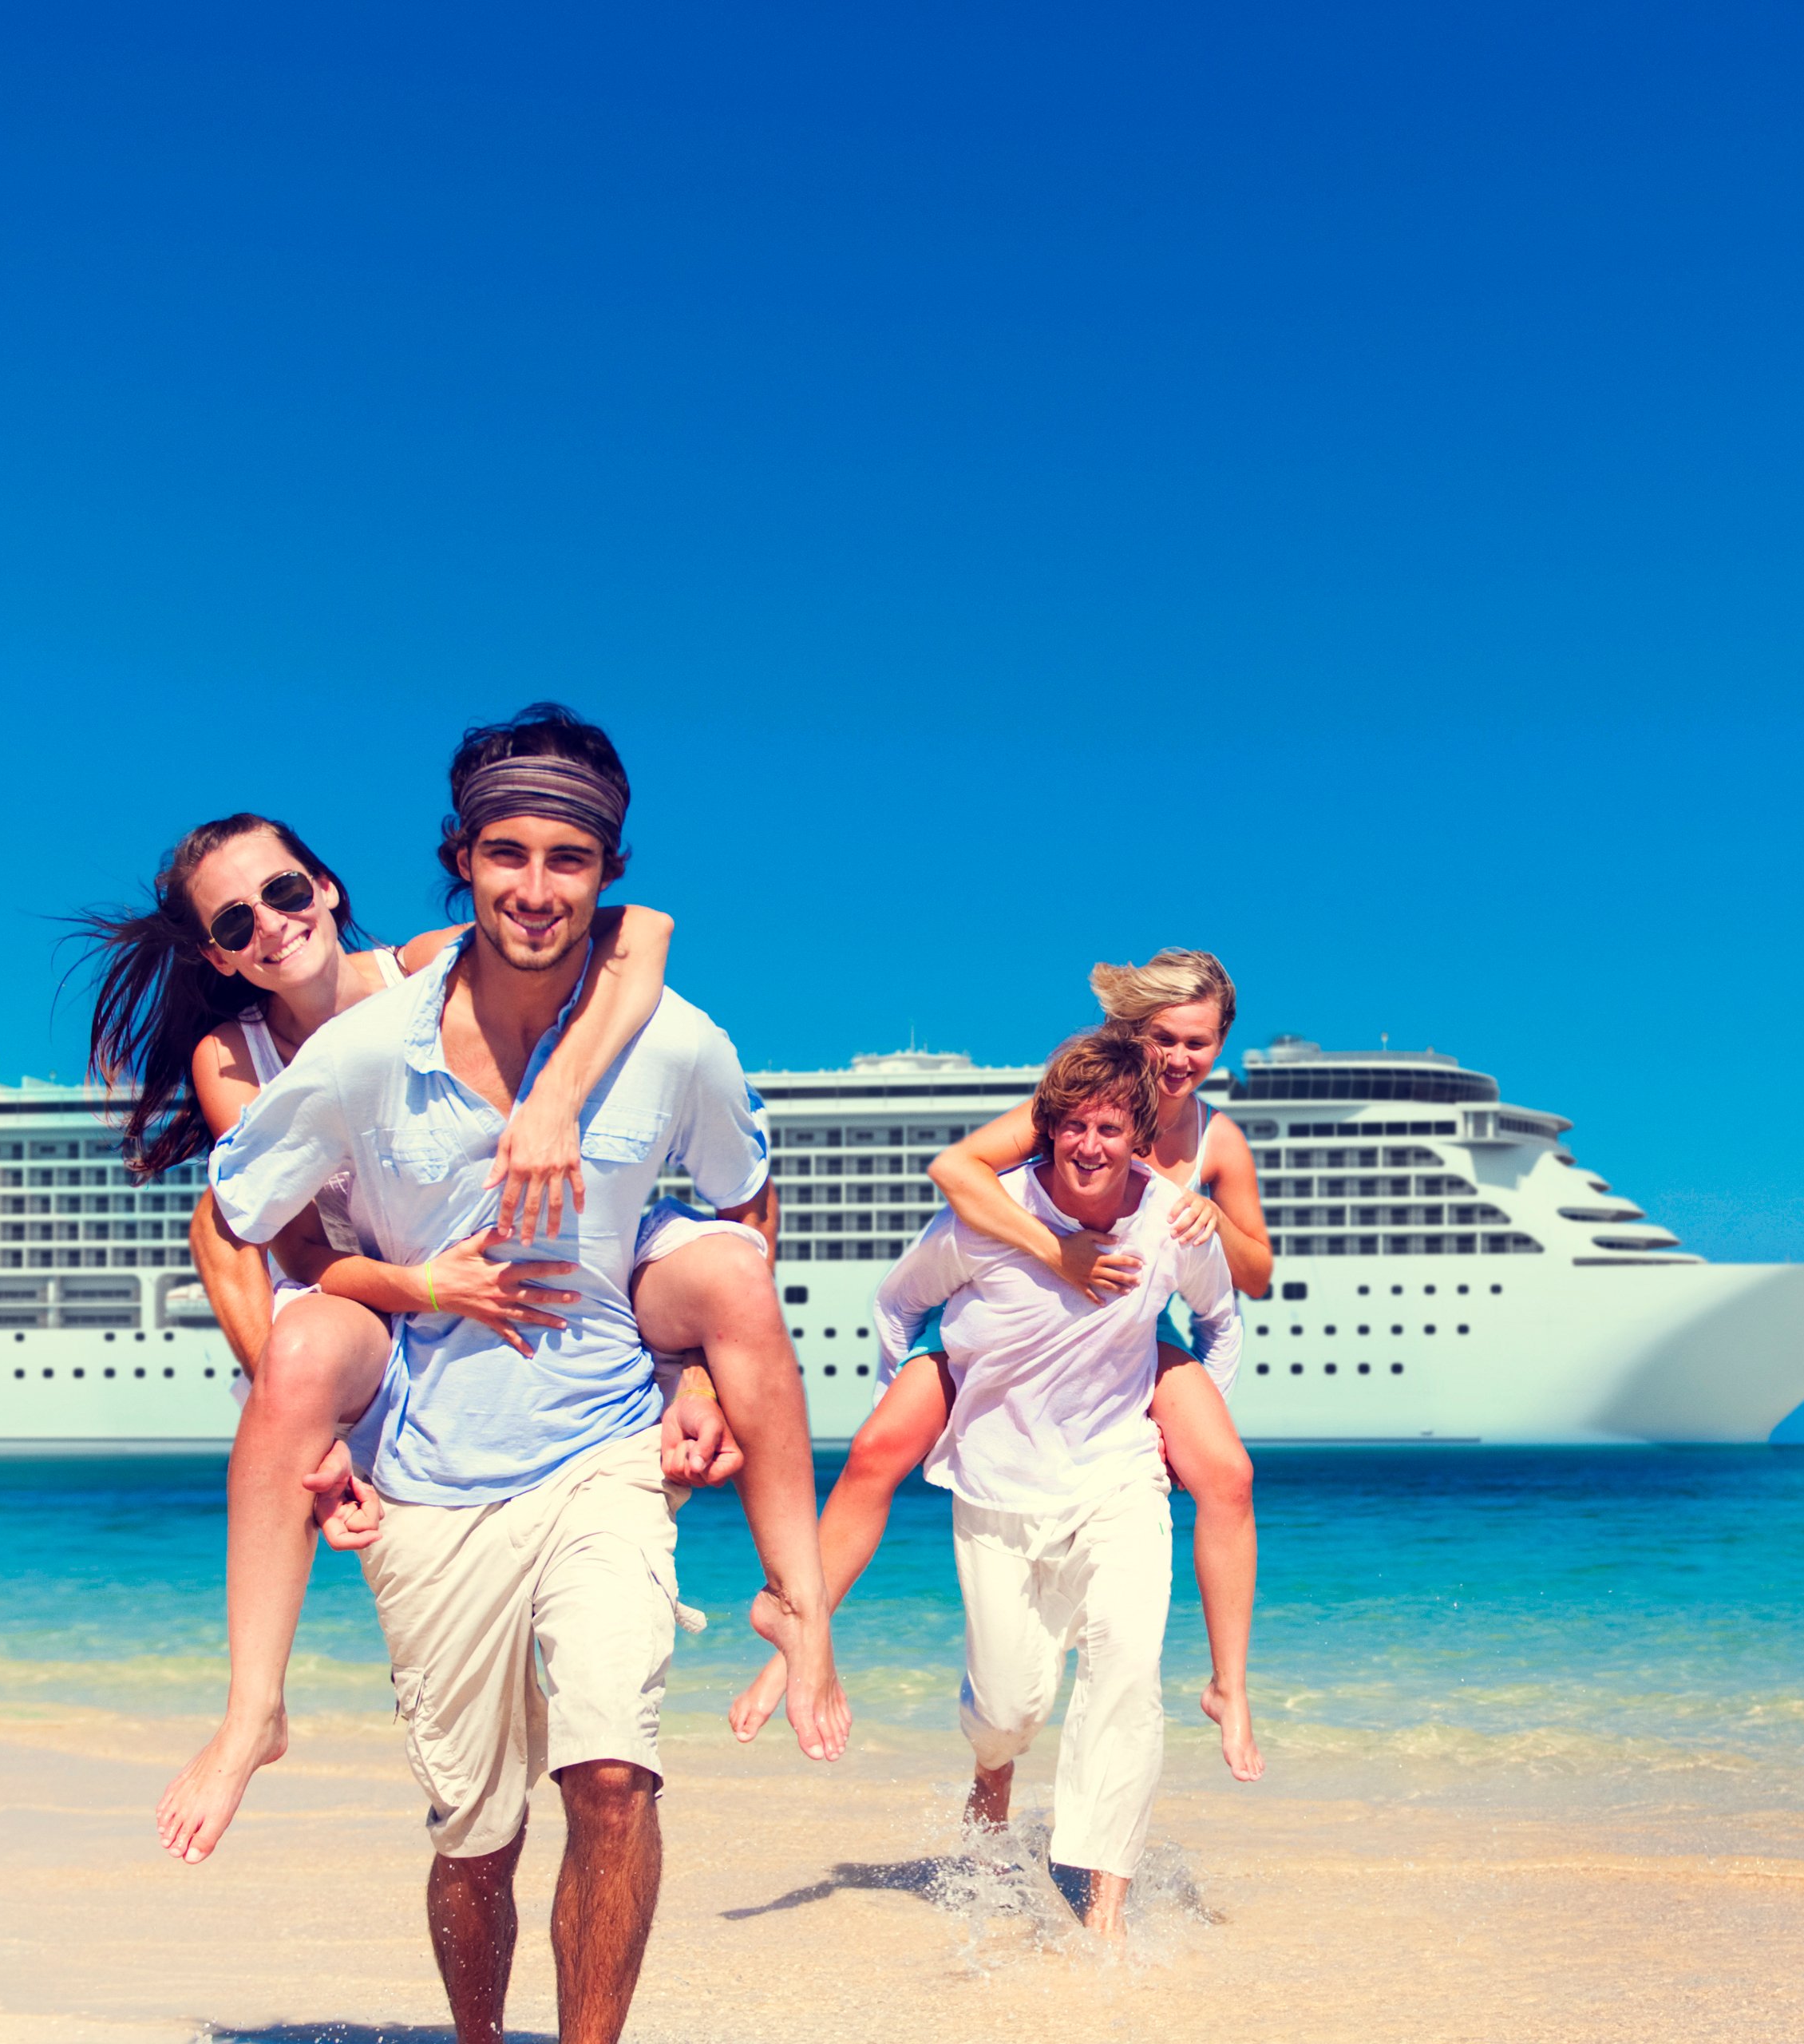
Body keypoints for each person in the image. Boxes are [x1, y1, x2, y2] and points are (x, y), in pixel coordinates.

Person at [207, 705, 845, 2044]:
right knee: (474, 1840)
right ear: (460, 859)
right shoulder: (355, 1055)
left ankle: (800, 1606)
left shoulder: (672, 1040)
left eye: (569, 859)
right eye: (507, 854)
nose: (536, 889)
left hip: (600, 1450)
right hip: (432, 1476)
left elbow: (745, 1199)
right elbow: (237, 1216)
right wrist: (324, 1392)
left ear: (605, 874)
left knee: (611, 1775)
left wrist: (698, 1385)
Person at [79, 810, 739, 1868]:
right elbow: (293, 1249)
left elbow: (643, 931)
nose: (272, 926)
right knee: (263, 1299)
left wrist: (558, 1097)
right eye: (237, 921)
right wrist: (419, 1286)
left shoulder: (427, 968)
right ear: (218, 953)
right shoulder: (232, 1057)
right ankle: (254, 1710)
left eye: (286, 892)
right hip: (375, 1306)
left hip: (532, 1285)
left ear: (327, 889)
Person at [731, 949, 1272, 1781]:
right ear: (1134, 1032)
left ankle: (1228, 1688)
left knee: (1227, 1473)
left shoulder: (1217, 1140)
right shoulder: (1082, 1106)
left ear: (1221, 1043)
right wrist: (1060, 1253)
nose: (1178, 1058)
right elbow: (955, 1170)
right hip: (1005, 1307)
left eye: (1197, 1042)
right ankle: (798, 1635)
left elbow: (1254, 1275)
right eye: (1162, 1036)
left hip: (1129, 1325)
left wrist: (1205, 1213)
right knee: (879, 1451)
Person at [870, 1027, 1243, 1941]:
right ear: (1047, 1131)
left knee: (1126, 1673)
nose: (1088, 1145)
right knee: (1006, 1711)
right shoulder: (984, 1216)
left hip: (1119, 1479)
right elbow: (897, 1302)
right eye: (1071, 1126)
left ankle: (1101, 1911)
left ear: (1139, 1134)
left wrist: (1181, 1411)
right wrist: (930, 1391)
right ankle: (991, 1775)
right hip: (998, 1486)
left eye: (1110, 1128)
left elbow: (1222, 1317)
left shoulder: (1169, 1220)